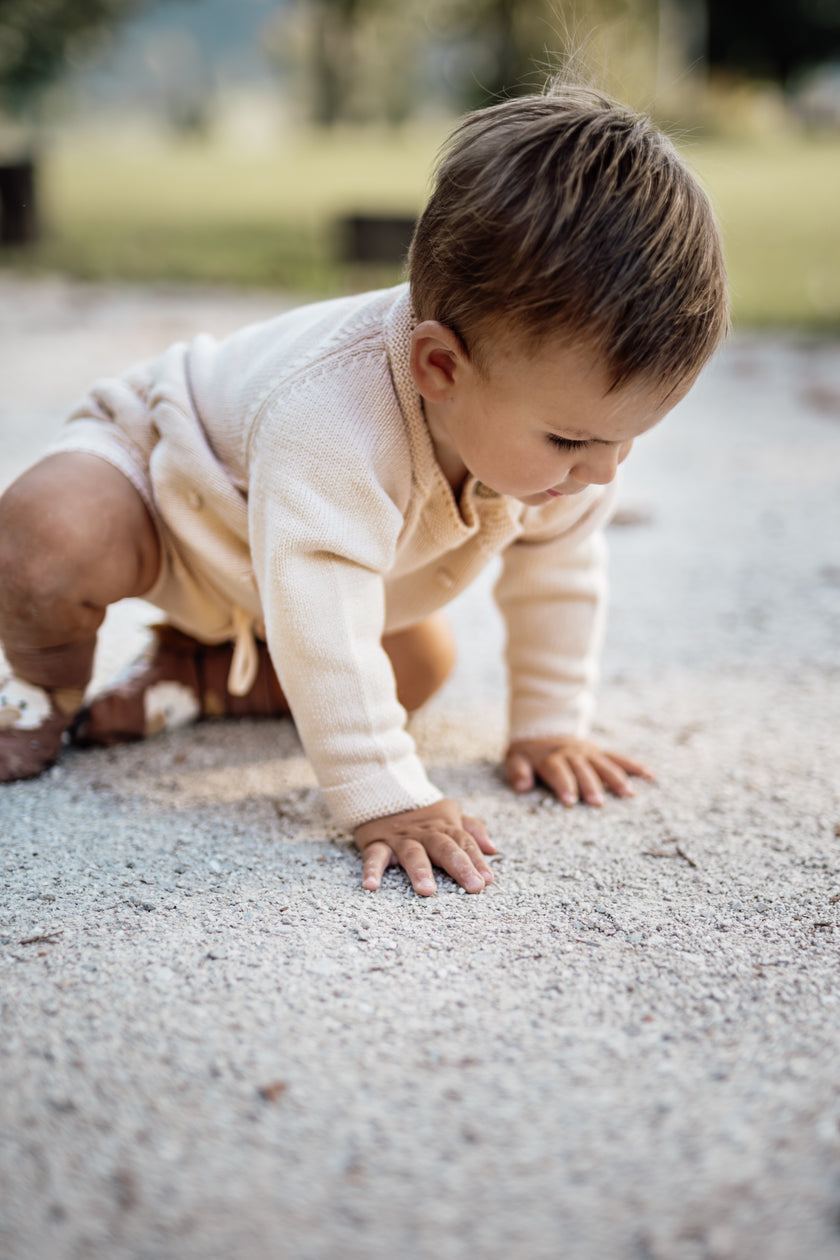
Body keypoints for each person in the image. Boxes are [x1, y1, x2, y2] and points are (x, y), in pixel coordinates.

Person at [0, 82, 728, 896]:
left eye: (630, 437)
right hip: (175, 499)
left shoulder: (570, 446)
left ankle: (194, 676)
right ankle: (39, 693)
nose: (603, 470)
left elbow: (557, 576)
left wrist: (550, 728)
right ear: (439, 367)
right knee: (45, 538)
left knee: (416, 666)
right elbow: (321, 600)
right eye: (572, 440)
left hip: (291, 573)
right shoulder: (335, 415)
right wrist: (386, 795)